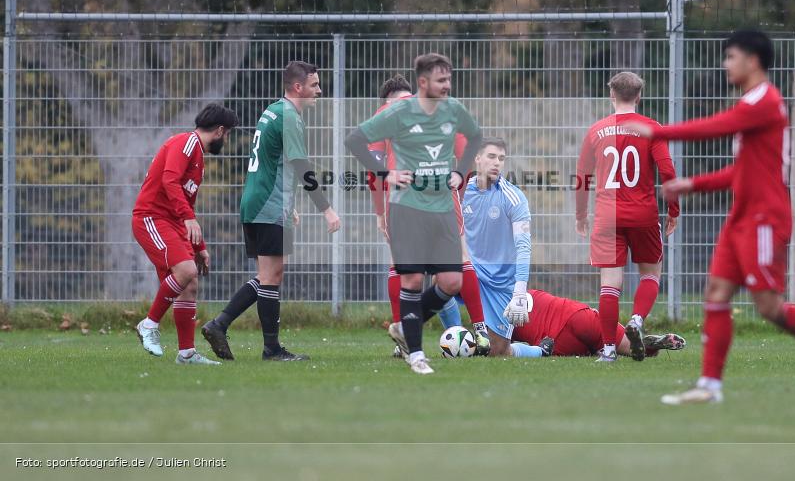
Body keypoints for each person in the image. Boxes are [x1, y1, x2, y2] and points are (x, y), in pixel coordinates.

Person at [624, 30, 795, 405]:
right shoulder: (752, 102)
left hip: (764, 221)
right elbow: (742, 172)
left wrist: (659, 131)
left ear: (752, 60)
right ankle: (710, 386)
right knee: (717, 293)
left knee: (769, 308)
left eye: (731, 56)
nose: (726, 64)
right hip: (741, 219)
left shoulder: (765, 101)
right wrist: (692, 184)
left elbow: (715, 127)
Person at [346, 53, 482, 374]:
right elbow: (355, 141)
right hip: (407, 207)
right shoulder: (397, 112)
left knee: (451, 280)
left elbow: (475, 138)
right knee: (412, 279)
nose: (447, 85)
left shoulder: (453, 110)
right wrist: (386, 174)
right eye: (441, 80)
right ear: (423, 83)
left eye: (449, 79)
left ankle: (407, 327)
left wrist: (461, 173)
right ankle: (417, 354)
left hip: (442, 208)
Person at [202, 61, 341, 362]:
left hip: (260, 200)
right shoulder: (289, 116)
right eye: (315, 85)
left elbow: (274, 162)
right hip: (268, 203)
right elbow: (301, 166)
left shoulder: (274, 110)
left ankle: (221, 325)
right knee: (271, 275)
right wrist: (326, 209)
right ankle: (270, 348)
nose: (320, 90)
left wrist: (289, 205)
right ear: (297, 87)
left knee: (270, 275)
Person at [575, 71, 680, 362]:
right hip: (643, 214)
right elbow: (668, 171)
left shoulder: (596, 130)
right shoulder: (650, 128)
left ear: (611, 95)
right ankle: (636, 320)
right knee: (650, 274)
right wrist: (674, 210)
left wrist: (581, 214)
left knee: (610, 283)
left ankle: (608, 349)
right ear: (639, 96)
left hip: (607, 217)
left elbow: (582, 176)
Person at [133, 103, 239, 364]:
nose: (227, 140)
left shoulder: (198, 156)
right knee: (186, 272)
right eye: (228, 135)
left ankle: (186, 353)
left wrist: (200, 245)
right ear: (220, 131)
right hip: (152, 218)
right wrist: (188, 219)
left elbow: (186, 202)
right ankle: (149, 324)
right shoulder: (186, 143)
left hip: (173, 222)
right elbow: (169, 180)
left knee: (190, 284)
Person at [461, 137, 545, 357]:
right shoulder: (461, 193)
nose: (497, 162)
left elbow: (524, 246)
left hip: (499, 283)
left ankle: (539, 351)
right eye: (491, 156)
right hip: (470, 273)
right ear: (477, 159)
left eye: (501, 158)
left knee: (497, 351)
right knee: (441, 279)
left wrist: (519, 291)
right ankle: (454, 336)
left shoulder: (514, 197)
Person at [512, 289, 685, 358]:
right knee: (628, 346)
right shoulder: (528, 291)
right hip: (578, 314)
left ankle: (596, 350)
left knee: (583, 351)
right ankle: (649, 344)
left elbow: (499, 347)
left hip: (555, 340)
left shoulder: (497, 307)